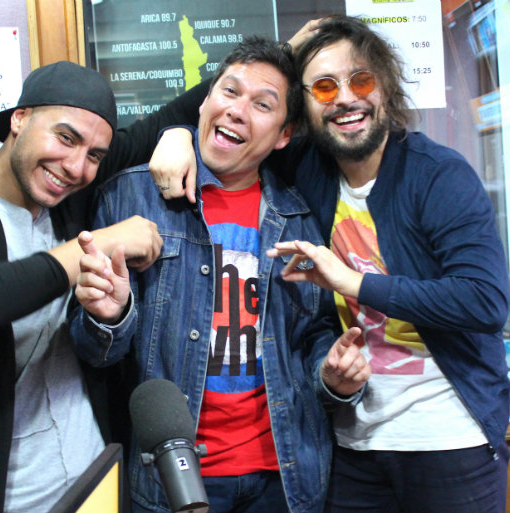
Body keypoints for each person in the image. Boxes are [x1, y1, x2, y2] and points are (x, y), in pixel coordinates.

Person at [151, 15, 510, 513]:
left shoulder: (438, 174)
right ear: (305, 111)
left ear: (385, 87)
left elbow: (485, 302)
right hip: (349, 443)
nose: (344, 98)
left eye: (360, 80)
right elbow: (241, 120)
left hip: (449, 438)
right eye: (324, 87)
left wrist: (353, 282)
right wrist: (178, 133)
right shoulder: (307, 169)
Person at [69, 37, 371, 513]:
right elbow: (95, 354)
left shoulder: (298, 217)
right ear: (205, 101)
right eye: (229, 91)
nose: (237, 110)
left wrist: (332, 376)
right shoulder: (130, 198)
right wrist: (109, 316)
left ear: (284, 134)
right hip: (170, 478)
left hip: (285, 476)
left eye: (262, 104)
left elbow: (312, 333)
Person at [0, 60, 208, 513]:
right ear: (19, 119)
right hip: (10, 493)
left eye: (95, 156)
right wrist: (105, 240)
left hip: (97, 479)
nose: (76, 166)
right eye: (65, 138)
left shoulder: (69, 190)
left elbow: (176, 113)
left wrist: (179, 134)